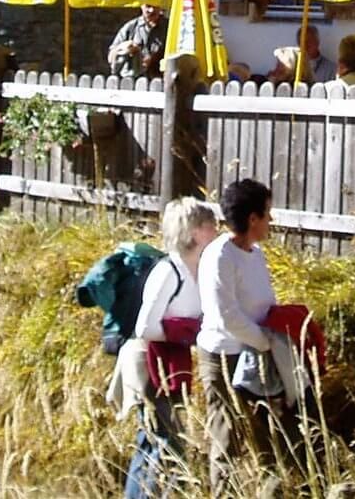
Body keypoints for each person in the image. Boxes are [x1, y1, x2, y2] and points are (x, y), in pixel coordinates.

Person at [124, 198, 220, 499]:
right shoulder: (169, 271)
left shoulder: (200, 270)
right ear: (193, 232)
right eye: (209, 226)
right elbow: (144, 328)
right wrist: (185, 329)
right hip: (150, 363)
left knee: (152, 439)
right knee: (167, 441)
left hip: (172, 361)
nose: (215, 231)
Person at [196, 178, 280, 493]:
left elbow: (263, 302)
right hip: (224, 356)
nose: (270, 220)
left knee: (266, 434)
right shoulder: (219, 256)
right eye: (267, 213)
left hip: (257, 353)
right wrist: (264, 341)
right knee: (226, 434)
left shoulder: (255, 253)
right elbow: (226, 315)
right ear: (252, 219)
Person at [108, 2, 167, 80]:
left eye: (155, 6)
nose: (152, 10)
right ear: (142, 6)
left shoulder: (169, 28)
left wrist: (153, 59)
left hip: (159, 80)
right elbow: (111, 55)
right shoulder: (131, 27)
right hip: (131, 81)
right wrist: (124, 48)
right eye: (148, 6)